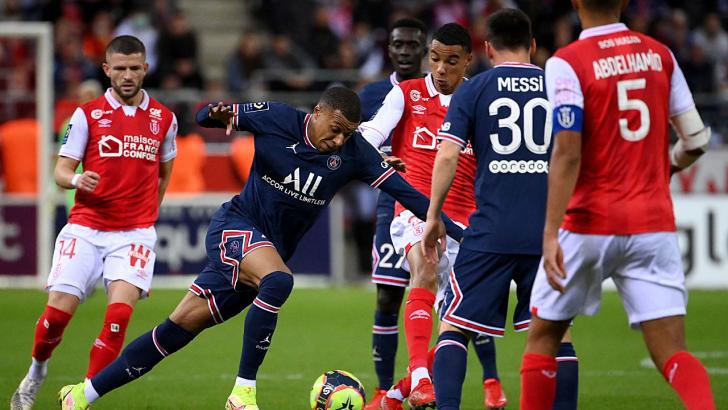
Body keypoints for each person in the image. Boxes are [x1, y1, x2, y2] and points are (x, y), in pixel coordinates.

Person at [57, 86, 465, 410]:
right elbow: (203, 116)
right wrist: (213, 112)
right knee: (278, 281)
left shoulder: (354, 153)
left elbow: (408, 194)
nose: (339, 139)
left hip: (262, 248)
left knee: (176, 329)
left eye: (348, 133)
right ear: (317, 113)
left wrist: (461, 233)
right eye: (335, 128)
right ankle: (243, 394)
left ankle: (82, 395)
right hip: (235, 227)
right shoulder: (277, 118)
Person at [519, 1, 716, 409]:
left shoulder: (567, 61)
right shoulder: (660, 54)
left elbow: (568, 152)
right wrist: (664, 170)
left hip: (589, 223)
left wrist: (550, 231)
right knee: (673, 354)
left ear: (575, 4)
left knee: (542, 339)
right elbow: (696, 140)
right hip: (652, 225)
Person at [421, 10, 579, 410]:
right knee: (557, 335)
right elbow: (577, 156)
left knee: (453, 326)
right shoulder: (558, 84)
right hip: (546, 234)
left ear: (487, 48)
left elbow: (447, 155)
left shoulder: (474, 91)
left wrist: (433, 216)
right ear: (533, 46)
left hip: (489, 231)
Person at [10, 35, 177, 410]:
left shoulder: (165, 119)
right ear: (107, 70)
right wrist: (76, 179)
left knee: (119, 315)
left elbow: (163, 173)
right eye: (120, 68)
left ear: (146, 68)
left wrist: (149, 212)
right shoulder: (86, 116)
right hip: (86, 227)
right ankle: (37, 371)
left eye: (135, 68)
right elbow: (60, 170)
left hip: (134, 233)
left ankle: (82, 398)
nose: (128, 75)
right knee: (55, 316)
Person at [361, 23, 504, 410]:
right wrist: (379, 159)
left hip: (468, 225)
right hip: (417, 212)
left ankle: (396, 395)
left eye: (451, 61)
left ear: (468, 61)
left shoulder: (483, 100)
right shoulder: (405, 94)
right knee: (423, 264)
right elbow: (368, 137)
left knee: (456, 326)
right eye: (436, 59)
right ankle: (422, 379)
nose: (441, 69)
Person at [357, 17, 428, 410]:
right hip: (390, 206)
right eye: (398, 45)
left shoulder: (438, 91)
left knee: (448, 295)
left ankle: (483, 379)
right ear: (389, 49)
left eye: (411, 45)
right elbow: (351, 142)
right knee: (387, 297)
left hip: (436, 203)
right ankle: (385, 391)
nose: (404, 51)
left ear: (423, 49)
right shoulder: (371, 95)